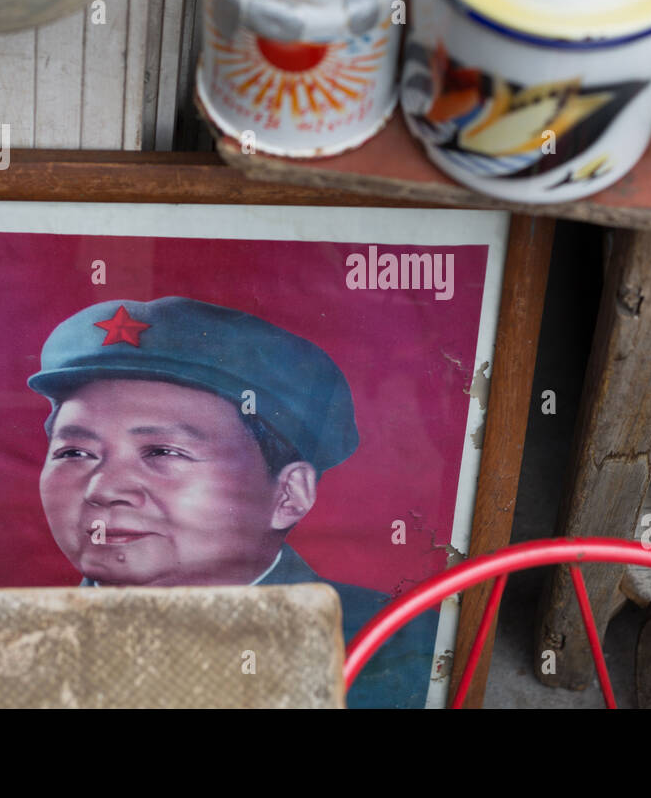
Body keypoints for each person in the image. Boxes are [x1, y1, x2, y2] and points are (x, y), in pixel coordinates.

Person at [27, 295, 436, 707]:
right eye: (74, 453)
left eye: (162, 452)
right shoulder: (6, 645)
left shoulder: (396, 651)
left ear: (288, 494)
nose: (103, 489)